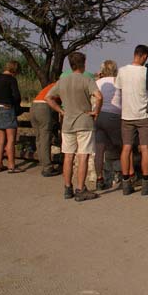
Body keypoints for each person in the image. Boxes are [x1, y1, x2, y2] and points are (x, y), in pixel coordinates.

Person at [45, 52, 102, 202]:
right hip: (84, 121)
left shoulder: (62, 81)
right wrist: (96, 111)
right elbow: (99, 96)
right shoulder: (87, 80)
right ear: (83, 63)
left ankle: (67, 187)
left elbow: (48, 97)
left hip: (68, 122)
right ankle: (80, 188)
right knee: (83, 156)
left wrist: (61, 111)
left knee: (68, 156)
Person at [114, 45, 148, 196]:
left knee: (126, 148)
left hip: (126, 116)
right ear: (144, 56)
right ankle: (146, 183)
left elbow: (118, 91)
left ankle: (126, 183)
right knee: (145, 149)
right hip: (144, 116)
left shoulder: (122, 71)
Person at [94, 60, 127, 190]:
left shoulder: (97, 82)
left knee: (99, 151)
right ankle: (127, 176)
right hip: (114, 116)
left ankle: (99, 179)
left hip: (99, 116)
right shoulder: (119, 82)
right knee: (125, 146)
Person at [0, 60, 22, 173]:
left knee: (0, 139)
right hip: (7, 108)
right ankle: (11, 165)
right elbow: (17, 96)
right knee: (11, 140)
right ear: (15, 70)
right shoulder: (11, 79)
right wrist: (16, 105)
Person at [30, 81, 59, 177]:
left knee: (38, 137)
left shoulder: (52, 85)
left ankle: (42, 161)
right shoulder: (63, 85)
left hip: (34, 106)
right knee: (45, 138)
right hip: (44, 107)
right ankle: (47, 167)